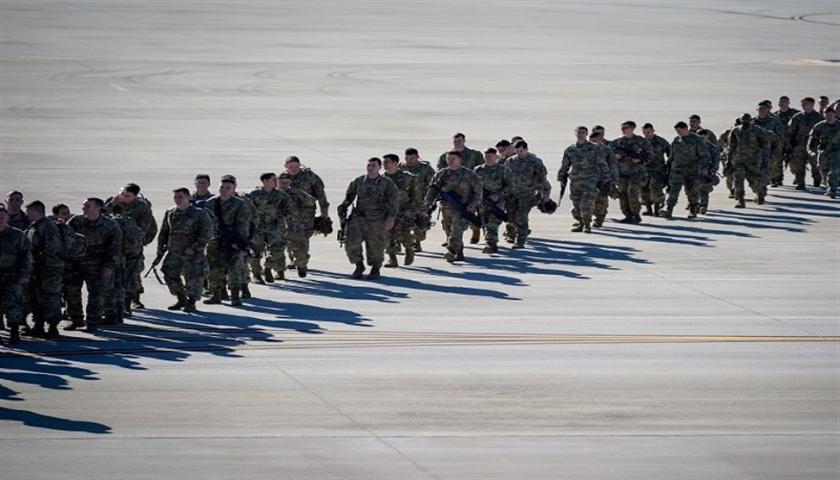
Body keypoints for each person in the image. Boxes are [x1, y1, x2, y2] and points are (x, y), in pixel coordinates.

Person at [66, 198, 122, 332]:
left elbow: (115, 248)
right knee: (71, 293)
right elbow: (65, 239)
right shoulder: (75, 221)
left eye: (87, 205)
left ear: (98, 208)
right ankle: (76, 320)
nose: (84, 207)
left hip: (97, 267)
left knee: (96, 295)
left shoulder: (110, 225)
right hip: (75, 265)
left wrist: (109, 266)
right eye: (83, 204)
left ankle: (92, 323)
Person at [338, 157, 398, 279]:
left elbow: (394, 201)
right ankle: (359, 265)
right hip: (359, 217)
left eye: (374, 166)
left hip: (377, 219)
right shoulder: (359, 181)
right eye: (369, 165)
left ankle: (375, 268)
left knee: (376, 246)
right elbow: (349, 197)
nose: (371, 168)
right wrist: (343, 207)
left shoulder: (387, 183)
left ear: (379, 167)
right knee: (351, 242)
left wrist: (390, 218)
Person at [157, 187, 212, 312]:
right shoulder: (170, 212)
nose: (177, 200)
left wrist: (194, 247)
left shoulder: (200, 213)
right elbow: (164, 232)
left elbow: (207, 234)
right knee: (169, 272)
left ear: (188, 198)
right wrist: (160, 247)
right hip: (174, 251)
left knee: (194, 277)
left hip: (192, 253)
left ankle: (191, 302)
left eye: (180, 197)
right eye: (175, 197)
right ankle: (181, 299)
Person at [105, 183, 158, 311]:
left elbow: (146, 228)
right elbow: (100, 217)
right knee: (116, 275)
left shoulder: (142, 207)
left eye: (127, 195)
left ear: (135, 196)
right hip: (115, 245)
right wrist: (111, 205)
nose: (123, 197)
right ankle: (117, 302)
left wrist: (141, 242)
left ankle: (130, 302)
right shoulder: (112, 202)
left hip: (132, 246)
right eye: (122, 193)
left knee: (132, 274)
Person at [203, 175, 252, 306]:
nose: (224, 190)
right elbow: (205, 223)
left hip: (233, 241)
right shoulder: (210, 203)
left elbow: (243, 224)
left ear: (234, 188)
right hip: (214, 241)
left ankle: (235, 296)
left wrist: (238, 241)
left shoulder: (240, 204)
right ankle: (216, 294)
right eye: (222, 187)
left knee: (235, 268)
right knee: (214, 268)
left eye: (227, 187)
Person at [557, 127, 611, 232]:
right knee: (576, 203)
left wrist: (606, 179)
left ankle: (587, 224)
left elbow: (602, 164)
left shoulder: (595, 148)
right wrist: (561, 176)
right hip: (575, 180)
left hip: (590, 180)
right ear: (575, 133)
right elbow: (565, 165)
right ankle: (580, 222)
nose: (580, 134)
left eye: (583, 132)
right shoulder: (570, 149)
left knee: (587, 203)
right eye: (578, 132)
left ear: (586, 134)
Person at [24, 201, 64, 338]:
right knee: (35, 298)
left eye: (28, 211)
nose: (26, 214)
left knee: (51, 297)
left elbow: (53, 248)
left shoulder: (48, 226)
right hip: (37, 269)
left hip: (49, 269)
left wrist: (37, 258)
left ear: (37, 211)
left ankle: (53, 327)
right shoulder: (34, 226)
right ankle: (38, 325)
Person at [437, 133, 484, 244]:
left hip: (469, 188)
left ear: (464, 141)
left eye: (459, 140)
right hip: (451, 191)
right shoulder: (445, 156)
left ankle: (475, 229)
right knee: (447, 216)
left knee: (471, 212)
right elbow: (440, 171)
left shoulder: (474, 154)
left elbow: (481, 170)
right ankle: (450, 238)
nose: (457, 142)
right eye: (455, 140)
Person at [502, 141, 550, 247]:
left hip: (527, 195)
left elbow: (542, 180)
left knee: (521, 217)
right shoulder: (510, 161)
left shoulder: (535, 162)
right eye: (517, 151)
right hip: (512, 194)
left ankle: (520, 241)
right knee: (510, 218)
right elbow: (505, 177)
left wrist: (545, 195)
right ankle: (523, 230)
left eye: (521, 151)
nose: (519, 153)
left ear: (527, 149)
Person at [245, 172, 291, 283]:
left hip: (274, 226)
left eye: (276, 179)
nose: (276, 182)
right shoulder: (254, 194)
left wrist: (288, 222)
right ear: (265, 181)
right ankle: (256, 274)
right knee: (255, 251)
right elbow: (246, 209)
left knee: (278, 249)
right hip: (258, 227)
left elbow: (288, 209)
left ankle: (268, 268)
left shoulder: (281, 195)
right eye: (273, 180)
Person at [661, 122, 710, 219]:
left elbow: (704, 156)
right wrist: (669, 166)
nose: (678, 133)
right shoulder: (676, 140)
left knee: (691, 192)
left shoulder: (697, 140)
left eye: (679, 131)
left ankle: (693, 210)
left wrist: (702, 170)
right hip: (677, 170)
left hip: (692, 171)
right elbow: (672, 155)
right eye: (677, 131)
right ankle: (668, 209)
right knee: (672, 190)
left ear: (685, 129)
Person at [0, 204, 32, 344]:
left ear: (7, 217)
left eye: (1, 217)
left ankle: (14, 331)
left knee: (14, 304)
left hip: (12, 275)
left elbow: (26, 256)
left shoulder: (17, 235)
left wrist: (24, 274)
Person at [383, 154, 421, 267]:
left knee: (404, 234)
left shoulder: (408, 177)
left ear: (395, 163)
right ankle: (392, 258)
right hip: (388, 212)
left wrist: (415, 210)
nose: (384, 164)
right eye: (384, 162)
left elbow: (416, 195)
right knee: (387, 235)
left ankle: (409, 249)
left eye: (387, 162)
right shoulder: (381, 179)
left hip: (405, 210)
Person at [611, 121, 653, 223]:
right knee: (623, 195)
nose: (623, 129)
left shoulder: (641, 141)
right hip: (622, 173)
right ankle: (627, 215)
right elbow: (610, 156)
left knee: (632, 194)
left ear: (632, 128)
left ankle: (636, 215)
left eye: (625, 127)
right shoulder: (617, 142)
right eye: (622, 127)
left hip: (636, 173)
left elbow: (650, 155)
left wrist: (640, 160)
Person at [277, 173, 316, 277]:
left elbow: (311, 203)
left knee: (301, 248)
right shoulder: (273, 194)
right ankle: (279, 271)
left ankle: (301, 265)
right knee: (277, 250)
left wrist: (306, 218)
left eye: (286, 182)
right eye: (281, 182)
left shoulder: (297, 193)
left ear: (290, 182)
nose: (284, 184)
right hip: (276, 227)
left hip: (294, 226)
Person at [729, 113, 771, 208]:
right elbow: (731, 145)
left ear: (750, 120)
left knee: (754, 179)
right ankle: (740, 200)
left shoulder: (758, 131)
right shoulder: (736, 131)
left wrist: (765, 158)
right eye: (743, 119)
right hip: (739, 159)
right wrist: (729, 159)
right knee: (738, 180)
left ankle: (759, 193)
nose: (745, 121)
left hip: (754, 160)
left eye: (747, 119)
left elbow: (765, 145)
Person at [475, 147, 512, 252]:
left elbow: (510, 185)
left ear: (496, 157)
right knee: (484, 221)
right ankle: (490, 240)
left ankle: (491, 243)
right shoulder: (478, 170)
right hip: (482, 202)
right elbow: (472, 185)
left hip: (497, 202)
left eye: (491, 156)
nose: (488, 158)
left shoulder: (503, 170)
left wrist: (499, 194)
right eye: (486, 156)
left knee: (493, 221)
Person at [399, 147, 435, 252]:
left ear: (417, 157)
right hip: (405, 202)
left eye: (412, 158)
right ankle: (401, 244)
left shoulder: (426, 168)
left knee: (420, 226)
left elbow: (433, 184)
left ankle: (418, 241)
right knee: (401, 224)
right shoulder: (400, 167)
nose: (409, 161)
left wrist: (430, 202)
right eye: (407, 158)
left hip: (421, 202)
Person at [787, 97, 824, 189]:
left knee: (815, 165)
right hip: (800, 145)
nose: (803, 105)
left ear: (812, 104)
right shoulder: (797, 117)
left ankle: (817, 182)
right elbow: (791, 131)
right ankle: (801, 183)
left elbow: (823, 131)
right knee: (799, 165)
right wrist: (791, 144)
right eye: (802, 104)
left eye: (805, 103)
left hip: (814, 145)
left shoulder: (819, 117)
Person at [753, 102, 785, 197]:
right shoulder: (752, 122)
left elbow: (780, 138)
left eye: (764, 109)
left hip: (769, 152)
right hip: (754, 153)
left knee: (765, 172)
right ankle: (758, 189)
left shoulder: (774, 122)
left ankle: (761, 192)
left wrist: (777, 152)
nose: (761, 111)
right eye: (760, 109)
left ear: (768, 110)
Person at [808, 107, 840, 198]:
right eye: (827, 115)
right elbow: (812, 140)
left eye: (831, 115)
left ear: (835, 115)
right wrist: (811, 151)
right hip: (823, 152)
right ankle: (828, 185)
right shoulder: (819, 126)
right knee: (823, 170)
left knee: (834, 171)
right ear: (824, 115)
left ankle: (832, 189)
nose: (829, 117)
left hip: (837, 152)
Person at [641, 123, 671, 217]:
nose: (647, 134)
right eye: (645, 132)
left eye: (648, 132)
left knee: (655, 189)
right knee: (644, 190)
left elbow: (670, 153)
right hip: (644, 170)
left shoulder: (660, 141)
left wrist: (669, 167)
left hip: (658, 170)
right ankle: (648, 208)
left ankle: (657, 208)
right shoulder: (640, 142)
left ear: (653, 130)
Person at [590, 127, 617, 228]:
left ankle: (599, 219)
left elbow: (613, 165)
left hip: (603, 179)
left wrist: (613, 180)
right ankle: (584, 219)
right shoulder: (584, 148)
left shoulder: (607, 149)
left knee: (601, 201)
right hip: (588, 179)